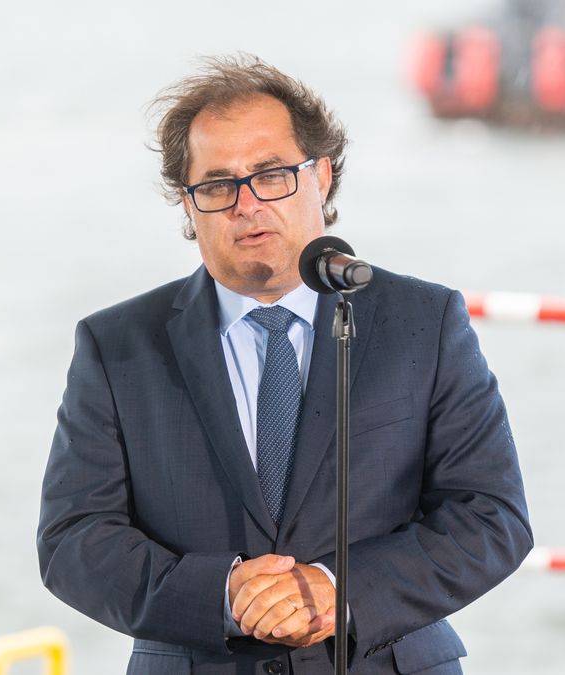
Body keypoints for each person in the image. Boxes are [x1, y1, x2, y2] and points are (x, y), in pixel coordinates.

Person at [37, 54, 531, 675]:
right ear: (188, 206)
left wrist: (339, 589)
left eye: (272, 175)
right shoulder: (117, 345)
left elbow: (491, 517)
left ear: (321, 176)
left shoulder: (423, 321)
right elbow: (74, 540)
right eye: (216, 185)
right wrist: (222, 593)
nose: (246, 203)